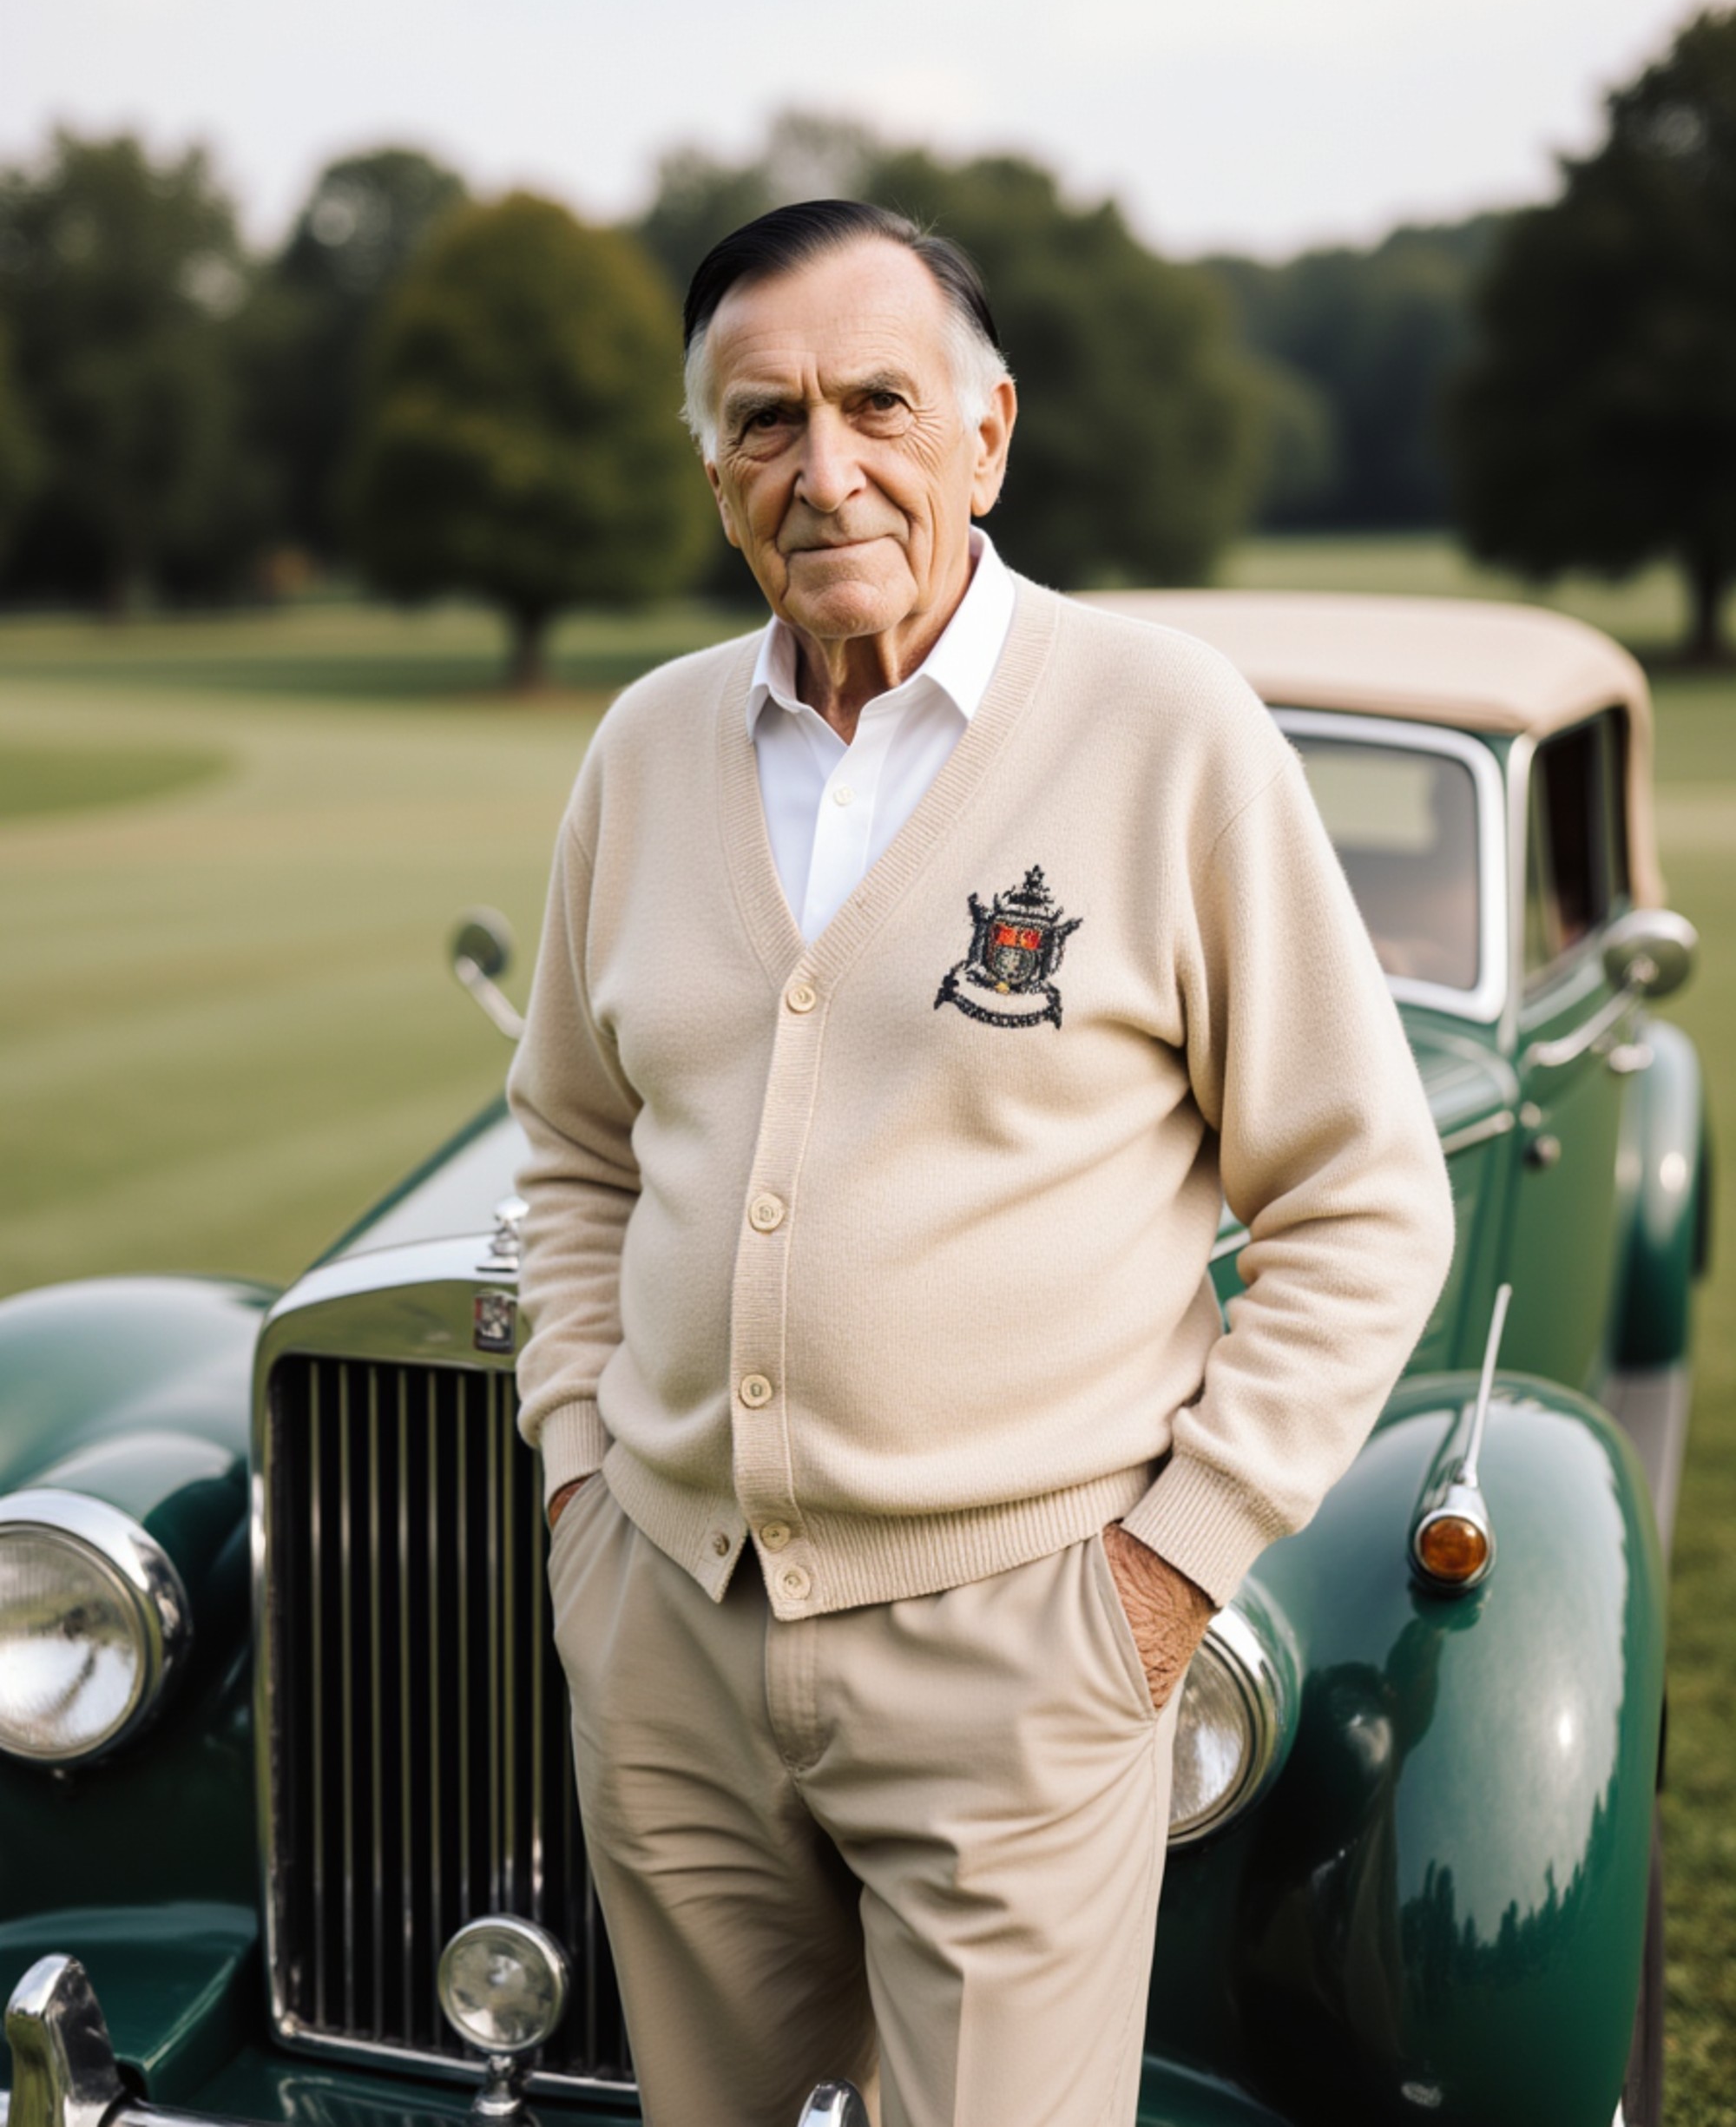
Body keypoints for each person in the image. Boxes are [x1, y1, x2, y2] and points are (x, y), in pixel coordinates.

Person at [508, 199, 1455, 2127]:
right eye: (764, 419)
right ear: (711, 467)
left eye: (879, 403)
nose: (824, 468)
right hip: (669, 1623)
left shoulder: (1165, 732)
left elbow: (1364, 1196)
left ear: (989, 434)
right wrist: (581, 1485)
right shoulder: (642, 750)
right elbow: (577, 1150)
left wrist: (1166, 1574)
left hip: (1027, 1642)